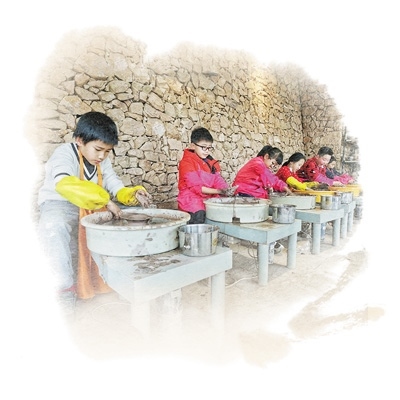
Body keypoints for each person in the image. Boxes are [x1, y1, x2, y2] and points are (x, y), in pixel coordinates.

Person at [37, 111, 152, 313]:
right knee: (53, 226)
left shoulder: (102, 161)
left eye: (107, 151)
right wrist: (106, 201)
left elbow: (114, 184)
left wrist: (132, 194)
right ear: (80, 140)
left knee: (123, 219)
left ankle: (116, 278)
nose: (102, 156)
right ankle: (63, 290)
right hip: (60, 203)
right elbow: (65, 184)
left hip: (91, 204)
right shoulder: (64, 153)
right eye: (98, 149)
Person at [177, 127, 232, 224]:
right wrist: (219, 191)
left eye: (209, 148)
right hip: (191, 198)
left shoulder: (211, 163)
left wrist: (226, 189)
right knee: (199, 213)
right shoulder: (187, 162)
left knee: (224, 208)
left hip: (208, 197)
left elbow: (217, 179)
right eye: (203, 147)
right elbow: (196, 187)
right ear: (193, 146)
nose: (207, 151)